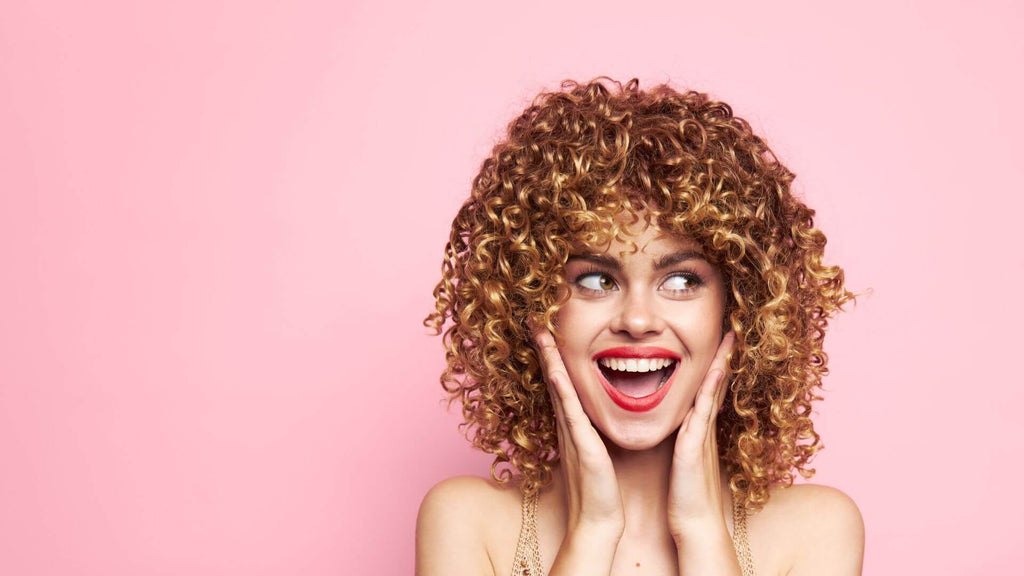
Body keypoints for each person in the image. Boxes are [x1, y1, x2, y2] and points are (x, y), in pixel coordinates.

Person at [416, 77, 865, 576]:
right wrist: (592, 530)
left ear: (740, 307)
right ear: (537, 302)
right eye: (595, 279)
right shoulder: (465, 522)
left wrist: (699, 531)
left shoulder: (815, 531)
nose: (636, 320)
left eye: (680, 280)